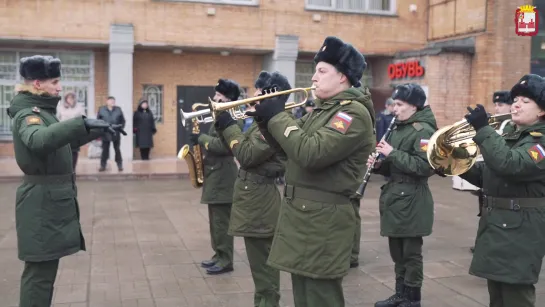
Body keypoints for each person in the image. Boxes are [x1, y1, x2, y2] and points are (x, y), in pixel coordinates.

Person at [246, 36, 376, 307]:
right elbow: (287, 152)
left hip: (322, 224)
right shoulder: (322, 111)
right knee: (304, 297)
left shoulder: (352, 114)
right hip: (304, 219)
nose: (313, 77)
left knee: (320, 298)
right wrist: (264, 120)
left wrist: (279, 116)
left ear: (343, 77)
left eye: (321, 70)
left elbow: (310, 153)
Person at [6, 55, 124, 307]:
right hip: (39, 203)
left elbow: (60, 142)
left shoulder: (44, 111)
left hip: (47, 201)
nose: (59, 88)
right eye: (55, 82)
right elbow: (39, 141)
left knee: (45, 273)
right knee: (39, 276)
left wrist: (95, 130)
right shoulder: (28, 114)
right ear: (37, 84)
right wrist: (79, 123)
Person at [457, 74, 545, 307]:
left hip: (522, 230)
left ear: (542, 112)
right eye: (516, 99)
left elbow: (510, 164)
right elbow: (487, 174)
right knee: (497, 293)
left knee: (516, 295)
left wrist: (483, 129)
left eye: (526, 101)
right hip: (498, 226)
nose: (516, 104)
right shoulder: (511, 136)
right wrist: (453, 164)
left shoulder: (541, 142)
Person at [214, 70, 290, 307]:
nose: (253, 98)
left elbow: (246, 155)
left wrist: (228, 126)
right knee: (259, 270)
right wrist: (222, 124)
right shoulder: (262, 122)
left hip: (261, 201)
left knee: (264, 269)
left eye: (259, 94)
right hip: (253, 198)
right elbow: (242, 145)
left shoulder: (274, 123)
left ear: (272, 94)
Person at [369, 83, 437, 307]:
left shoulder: (423, 131)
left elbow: (424, 167)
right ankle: (400, 294)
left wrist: (392, 153)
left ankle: (412, 298)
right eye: (394, 104)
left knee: (410, 253)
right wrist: (380, 165)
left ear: (414, 106)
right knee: (397, 251)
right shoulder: (400, 127)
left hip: (412, 199)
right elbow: (395, 166)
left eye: (399, 105)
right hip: (396, 196)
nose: (394, 109)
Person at [189, 78, 243, 275]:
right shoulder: (220, 116)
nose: (213, 99)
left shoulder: (233, 117)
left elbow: (224, 146)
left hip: (223, 176)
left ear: (227, 98)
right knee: (215, 222)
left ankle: (226, 260)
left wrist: (201, 139)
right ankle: (218, 255)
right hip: (215, 175)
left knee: (222, 222)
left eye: (218, 96)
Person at [469, 90, 515, 253]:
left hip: (503, 180)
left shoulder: (511, 126)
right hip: (486, 170)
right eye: (495, 105)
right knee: (484, 209)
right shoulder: (496, 124)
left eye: (501, 105)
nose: (497, 108)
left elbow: (504, 158)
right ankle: (483, 241)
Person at [56, 92, 86, 171]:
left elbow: (83, 118)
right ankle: (65, 168)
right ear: (66, 99)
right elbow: (57, 119)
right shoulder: (60, 107)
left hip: (74, 132)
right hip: (63, 132)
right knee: (63, 151)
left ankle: (73, 169)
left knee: (74, 151)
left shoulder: (79, 107)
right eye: (68, 98)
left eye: (72, 98)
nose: (70, 100)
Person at [97, 96, 126, 171]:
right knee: (105, 150)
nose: (112, 102)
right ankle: (103, 165)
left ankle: (120, 165)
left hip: (115, 133)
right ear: (107, 102)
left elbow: (123, 121)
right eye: (111, 101)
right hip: (105, 133)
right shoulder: (101, 109)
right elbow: (98, 121)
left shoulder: (118, 109)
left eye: (113, 101)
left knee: (117, 150)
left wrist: (120, 128)